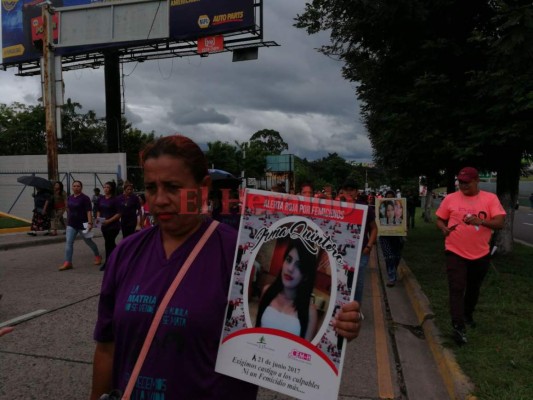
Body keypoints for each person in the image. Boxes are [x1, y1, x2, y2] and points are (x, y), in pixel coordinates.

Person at [90, 134, 362, 400]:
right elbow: (106, 347)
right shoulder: (126, 253)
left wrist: (343, 322)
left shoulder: (239, 253)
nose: (159, 199)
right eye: (151, 188)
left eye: (173, 187)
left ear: (203, 187)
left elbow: (282, 335)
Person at [436, 167, 505, 345]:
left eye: (466, 182)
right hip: (454, 250)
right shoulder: (451, 198)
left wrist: (481, 221)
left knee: (473, 288)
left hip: (480, 253)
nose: (463, 185)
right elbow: (440, 218)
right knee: (457, 287)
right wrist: (443, 228)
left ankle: (467, 314)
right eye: (460, 181)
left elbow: (499, 222)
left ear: (476, 181)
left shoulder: (490, 199)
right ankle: (458, 326)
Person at [255, 238, 318, 340]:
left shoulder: (310, 311)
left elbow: (306, 352)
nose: (290, 268)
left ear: (306, 275)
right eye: (288, 260)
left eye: (299, 265)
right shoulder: (267, 291)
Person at [339, 179, 378, 307]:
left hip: (361, 252)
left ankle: (355, 309)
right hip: (342, 253)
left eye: (352, 190)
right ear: (342, 191)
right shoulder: (337, 208)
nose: (349, 192)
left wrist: (369, 246)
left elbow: (374, 228)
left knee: (357, 283)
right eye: (346, 190)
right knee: (343, 282)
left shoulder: (365, 209)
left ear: (356, 192)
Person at [59, 180, 102, 271]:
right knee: (69, 242)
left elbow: (88, 211)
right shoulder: (70, 198)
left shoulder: (85, 198)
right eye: (74, 186)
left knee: (89, 242)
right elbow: (68, 209)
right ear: (72, 187)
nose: (76, 187)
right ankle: (68, 262)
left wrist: (90, 223)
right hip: (71, 224)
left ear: (81, 188)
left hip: (84, 224)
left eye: (78, 186)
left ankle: (98, 256)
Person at [378, 191, 405, 287]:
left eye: (392, 210)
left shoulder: (400, 217)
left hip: (398, 238)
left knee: (396, 257)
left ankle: (393, 271)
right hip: (384, 237)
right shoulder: (381, 215)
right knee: (389, 257)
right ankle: (391, 278)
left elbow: (405, 224)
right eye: (388, 210)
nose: (390, 212)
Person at [97, 181, 122, 272]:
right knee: (110, 244)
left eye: (107, 187)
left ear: (111, 189)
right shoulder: (101, 198)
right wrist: (98, 218)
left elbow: (119, 214)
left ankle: (108, 263)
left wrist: (109, 221)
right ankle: (119, 256)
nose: (105, 189)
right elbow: (99, 209)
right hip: (104, 225)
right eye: (104, 187)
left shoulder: (116, 200)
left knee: (108, 243)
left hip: (113, 225)